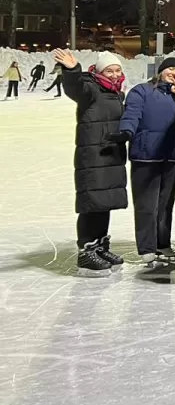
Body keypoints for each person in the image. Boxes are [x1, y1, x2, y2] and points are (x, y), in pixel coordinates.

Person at [56, 49, 128, 277]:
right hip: (94, 155)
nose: (115, 74)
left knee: (104, 202)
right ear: (99, 72)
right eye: (110, 70)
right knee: (92, 203)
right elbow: (75, 87)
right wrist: (71, 69)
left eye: (118, 70)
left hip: (112, 155)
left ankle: (100, 246)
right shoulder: (90, 89)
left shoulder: (117, 93)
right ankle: (86, 252)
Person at [117, 55, 175, 266]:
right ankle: (147, 247)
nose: (174, 73)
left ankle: (162, 243)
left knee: (165, 205)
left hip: (172, 156)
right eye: (171, 69)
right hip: (146, 156)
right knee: (146, 205)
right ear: (161, 70)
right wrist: (126, 131)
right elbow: (132, 114)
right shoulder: (141, 91)